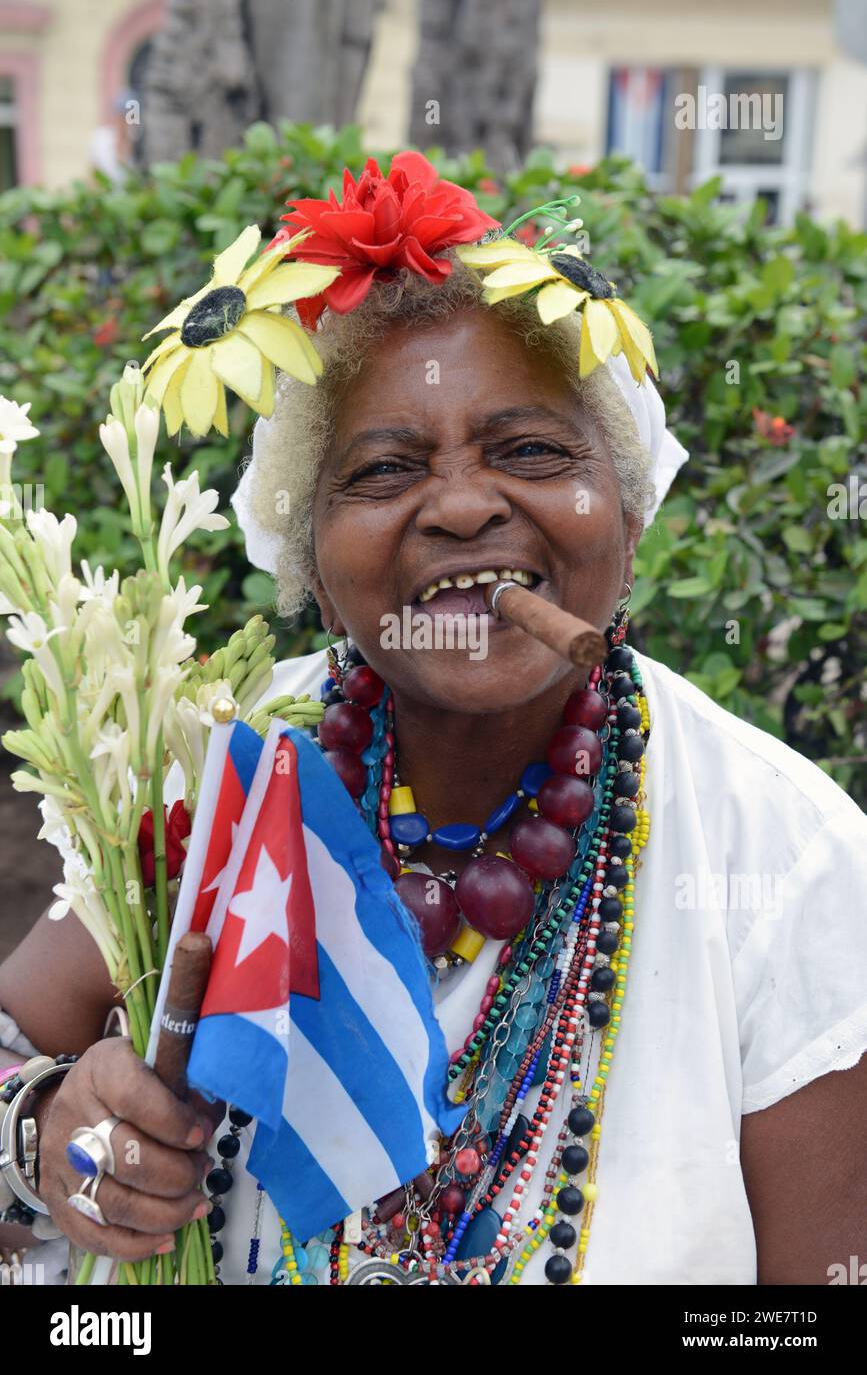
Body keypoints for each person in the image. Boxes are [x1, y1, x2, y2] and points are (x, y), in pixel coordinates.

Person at [1, 152, 865, 1286]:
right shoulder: (214, 766)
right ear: (309, 553)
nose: (462, 506)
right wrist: (49, 1129)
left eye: (531, 452)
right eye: (387, 468)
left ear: (631, 506)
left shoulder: (785, 855)